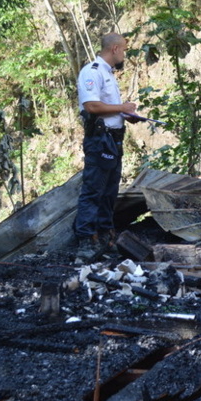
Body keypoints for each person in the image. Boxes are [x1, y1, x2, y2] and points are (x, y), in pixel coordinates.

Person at [74, 33, 138, 259]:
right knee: (93, 189)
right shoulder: (91, 72)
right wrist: (122, 107)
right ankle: (85, 240)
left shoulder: (108, 73)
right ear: (114, 49)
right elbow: (91, 106)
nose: (124, 55)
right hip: (100, 139)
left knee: (109, 191)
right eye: (123, 50)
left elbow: (108, 108)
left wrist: (125, 114)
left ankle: (103, 236)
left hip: (114, 138)